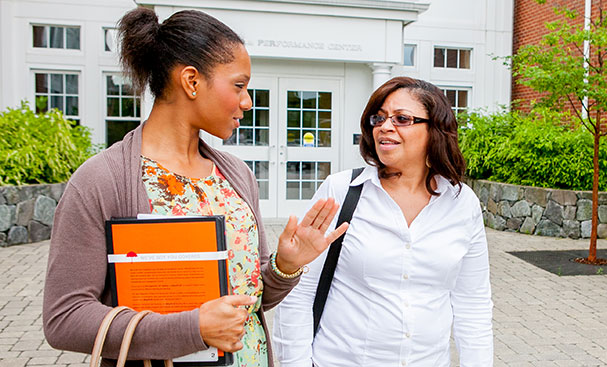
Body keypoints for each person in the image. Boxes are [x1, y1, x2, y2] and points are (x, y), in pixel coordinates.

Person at [42, 8, 348, 367]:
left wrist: (284, 266)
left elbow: (247, 302)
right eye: (239, 85)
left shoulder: (235, 174)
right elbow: (64, 318)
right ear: (191, 81)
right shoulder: (102, 180)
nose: (247, 101)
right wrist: (192, 328)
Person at [272, 76, 493, 366]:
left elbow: (472, 306)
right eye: (379, 118)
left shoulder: (461, 203)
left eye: (402, 118)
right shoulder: (341, 191)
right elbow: (299, 293)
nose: (385, 127)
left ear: (435, 130)